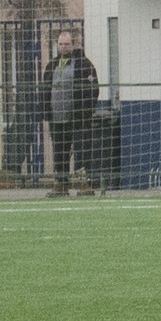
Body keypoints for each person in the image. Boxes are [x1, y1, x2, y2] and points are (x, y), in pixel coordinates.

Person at [38, 29, 101, 196]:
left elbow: (93, 90)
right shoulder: (52, 65)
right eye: (60, 44)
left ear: (73, 45)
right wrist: (45, 110)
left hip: (78, 118)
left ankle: (85, 183)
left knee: (82, 150)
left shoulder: (84, 64)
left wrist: (85, 111)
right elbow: (44, 89)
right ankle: (61, 184)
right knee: (59, 151)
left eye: (66, 44)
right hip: (56, 118)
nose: (63, 47)